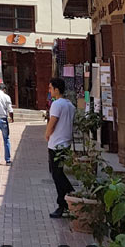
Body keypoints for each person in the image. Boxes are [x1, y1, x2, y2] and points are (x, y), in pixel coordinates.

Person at [45, 77, 75, 218]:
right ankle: (67, 198)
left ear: (57, 89)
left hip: (56, 143)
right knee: (58, 172)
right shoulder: (70, 105)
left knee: (57, 174)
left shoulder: (57, 104)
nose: (49, 91)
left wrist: (47, 133)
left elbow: (53, 121)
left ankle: (64, 200)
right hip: (66, 142)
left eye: (51, 88)